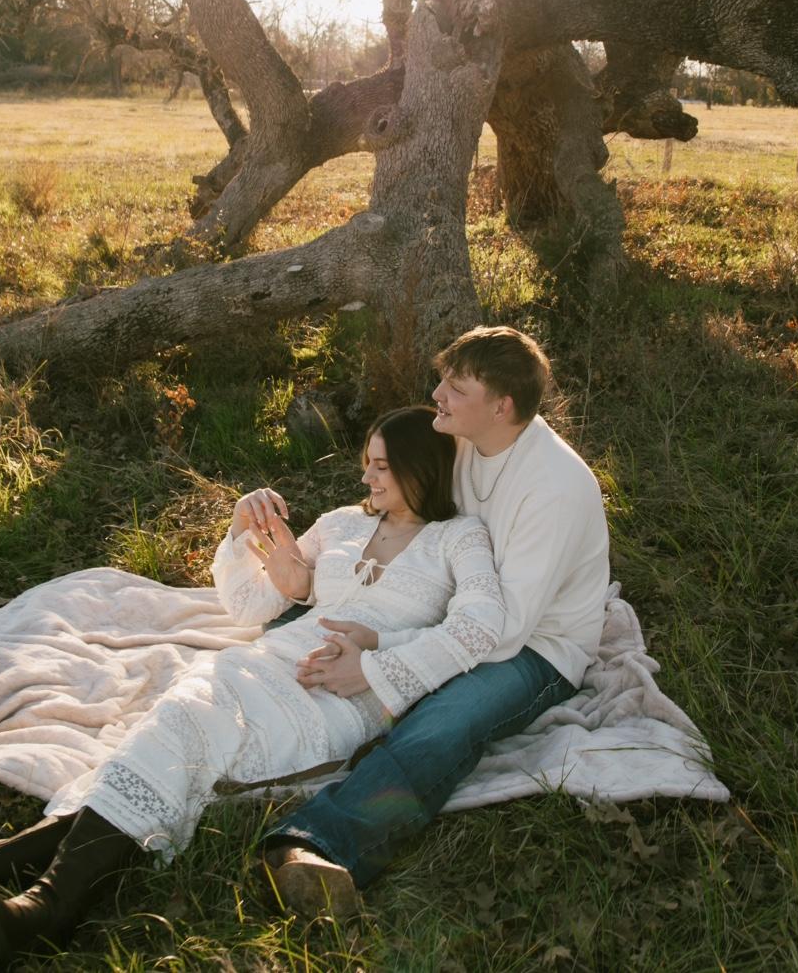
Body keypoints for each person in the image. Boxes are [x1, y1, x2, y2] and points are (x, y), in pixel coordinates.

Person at [0, 405, 504, 959]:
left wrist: (377, 653)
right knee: (174, 727)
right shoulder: (341, 524)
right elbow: (250, 606)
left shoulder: (460, 539)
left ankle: (25, 905)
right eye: (367, 461)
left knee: (179, 729)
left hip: (338, 699)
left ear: (421, 467)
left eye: (381, 465)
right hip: (264, 660)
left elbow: (482, 627)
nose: (366, 475)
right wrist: (244, 537)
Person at [252, 325, 609, 913]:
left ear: (502, 406)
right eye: (443, 379)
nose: (437, 394)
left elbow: (506, 632)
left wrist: (382, 652)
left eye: (456, 387)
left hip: (534, 645)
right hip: (452, 604)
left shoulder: (555, 488)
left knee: (446, 721)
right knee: (299, 628)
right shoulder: (460, 439)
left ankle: (317, 844)